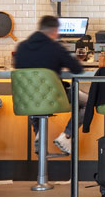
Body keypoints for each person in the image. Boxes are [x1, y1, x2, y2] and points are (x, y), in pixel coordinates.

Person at [14, 15, 87, 155]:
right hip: (54, 97)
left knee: (34, 100)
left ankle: (38, 133)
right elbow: (77, 69)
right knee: (87, 102)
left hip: (26, 100)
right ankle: (67, 136)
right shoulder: (55, 47)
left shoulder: (22, 47)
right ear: (54, 31)